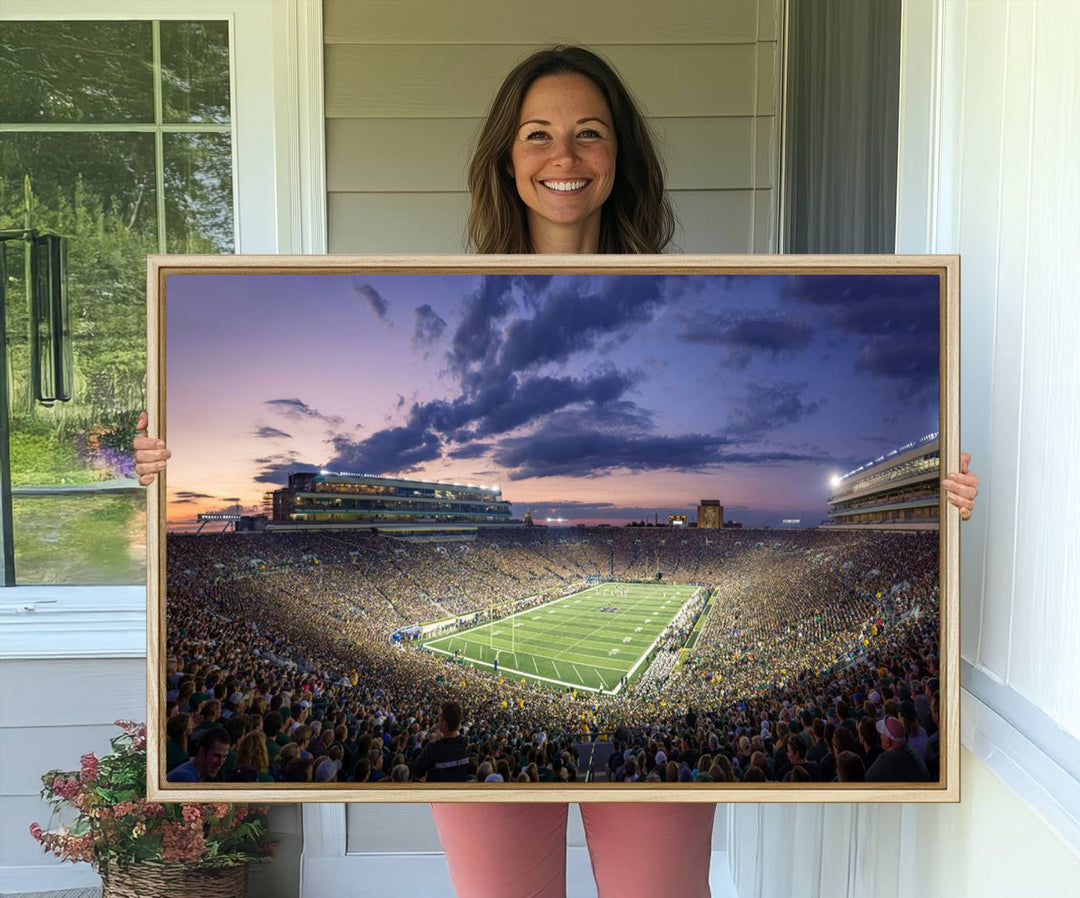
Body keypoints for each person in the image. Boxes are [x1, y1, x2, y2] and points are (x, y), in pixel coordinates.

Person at [136, 43, 980, 898]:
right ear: (507, 157)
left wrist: (935, 504)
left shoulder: (689, 294)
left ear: (620, 158)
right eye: (538, 134)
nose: (563, 157)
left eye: (589, 133)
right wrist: (159, 466)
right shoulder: (449, 294)